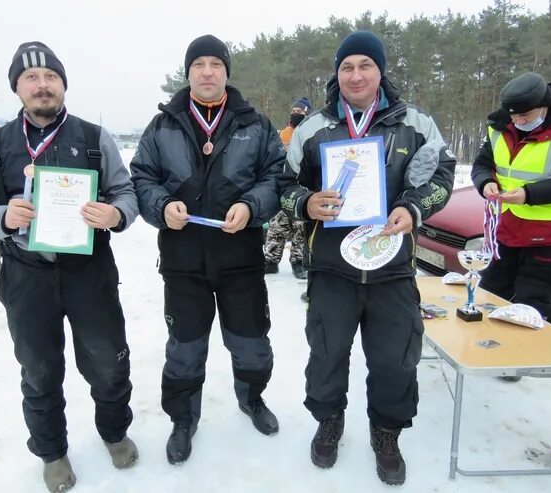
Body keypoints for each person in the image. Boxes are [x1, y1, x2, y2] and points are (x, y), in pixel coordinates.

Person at [0, 41, 139, 493]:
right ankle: (52, 452)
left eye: (51, 77)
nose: (43, 85)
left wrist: (115, 215)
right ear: (17, 88)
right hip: (25, 273)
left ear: (63, 84)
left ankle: (114, 432)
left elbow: (128, 194)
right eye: (31, 78)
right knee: (38, 368)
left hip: (89, 271)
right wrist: (3, 217)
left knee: (108, 362)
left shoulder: (94, 137)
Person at [278, 31, 456, 485]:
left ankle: (386, 433)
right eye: (347, 67)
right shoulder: (313, 128)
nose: (356, 75)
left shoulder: (414, 122)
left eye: (365, 65)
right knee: (327, 353)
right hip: (332, 269)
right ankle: (329, 422)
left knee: (396, 360)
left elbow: (442, 173)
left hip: (392, 268)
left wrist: (413, 206)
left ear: (380, 71)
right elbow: (283, 184)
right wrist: (306, 203)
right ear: (336, 75)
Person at [130, 34, 285, 465]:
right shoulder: (163, 125)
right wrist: (162, 206)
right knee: (184, 347)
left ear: (226, 72)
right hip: (184, 263)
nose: (207, 71)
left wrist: (250, 204)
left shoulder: (255, 124)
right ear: (189, 73)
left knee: (252, 343)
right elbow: (141, 177)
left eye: (216, 63)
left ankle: (252, 399)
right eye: (199, 64)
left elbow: (277, 177)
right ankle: (183, 419)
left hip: (241, 260)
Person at [471, 72, 551, 328]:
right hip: (505, 231)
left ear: (544, 106)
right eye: (515, 116)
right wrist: (485, 183)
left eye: (526, 116)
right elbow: (482, 165)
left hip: (548, 239)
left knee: (535, 307)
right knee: (490, 297)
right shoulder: (498, 128)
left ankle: (537, 364)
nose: (520, 121)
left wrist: (529, 194)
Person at [264, 97, 312, 279]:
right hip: (282, 186)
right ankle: (270, 260)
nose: (296, 114)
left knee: (300, 227)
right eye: (295, 111)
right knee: (277, 226)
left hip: (302, 187)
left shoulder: (308, 133)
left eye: (300, 112)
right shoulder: (282, 134)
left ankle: (298, 262)